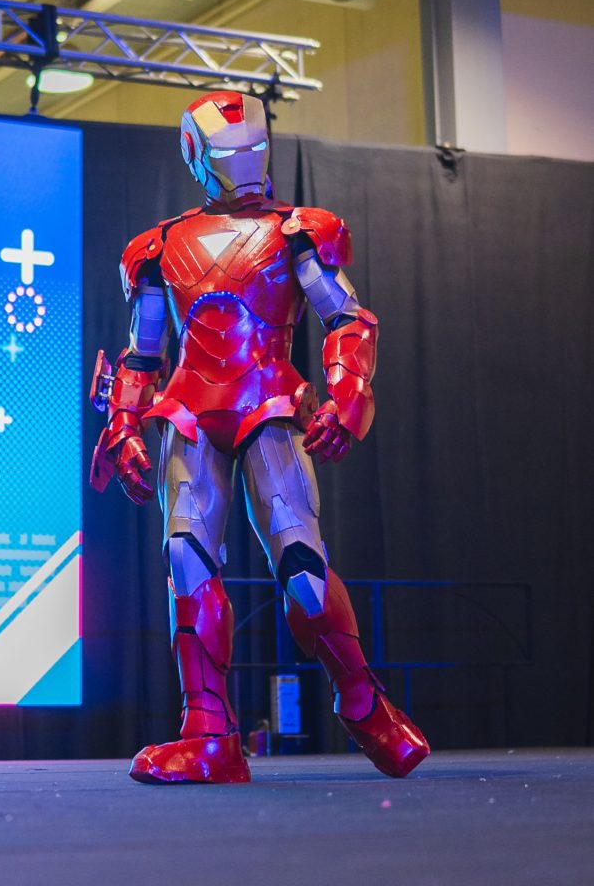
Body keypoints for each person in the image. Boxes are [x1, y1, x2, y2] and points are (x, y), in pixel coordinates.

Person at [90, 91, 429, 784]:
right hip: (189, 413)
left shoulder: (295, 232)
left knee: (302, 568)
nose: (243, 163)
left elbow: (347, 319)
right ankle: (209, 736)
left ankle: (363, 702)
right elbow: (142, 353)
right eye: (227, 152)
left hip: (268, 405)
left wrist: (347, 394)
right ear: (194, 154)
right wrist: (122, 423)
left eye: (252, 148)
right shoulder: (157, 247)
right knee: (186, 558)